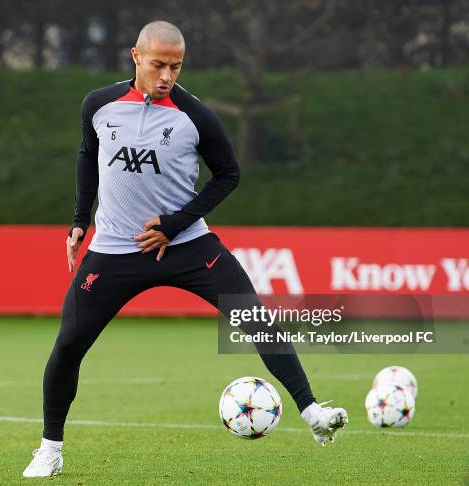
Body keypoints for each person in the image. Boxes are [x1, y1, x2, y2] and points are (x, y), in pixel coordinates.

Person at [23, 20, 347, 478]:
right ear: (136, 57)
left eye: (175, 66)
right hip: (115, 250)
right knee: (69, 343)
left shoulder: (195, 115)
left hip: (187, 246)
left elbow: (228, 175)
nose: (167, 76)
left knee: (254, 317)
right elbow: (86, 155)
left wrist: (174, 225)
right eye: (158, 64)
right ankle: (50, 449)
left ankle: (312, 411)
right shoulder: (99, 105)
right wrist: (79, 221)